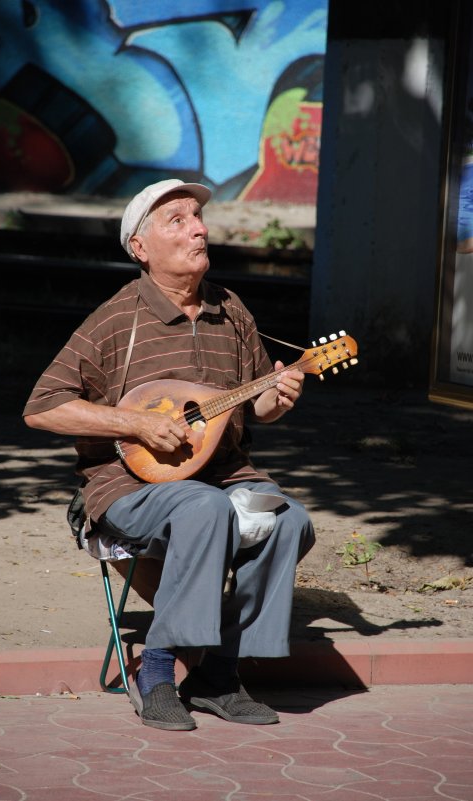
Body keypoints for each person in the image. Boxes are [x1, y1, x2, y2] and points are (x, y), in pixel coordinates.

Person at [23, 178, 315, 731]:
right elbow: (42, 407)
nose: (199, 229)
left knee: (290, 521)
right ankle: (155, 671)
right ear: (140, 247)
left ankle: (218, 675)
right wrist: (134, 422)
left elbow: (257, 406)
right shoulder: (117, 320)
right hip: (129, 489)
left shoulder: (231, 310)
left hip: (225, 476)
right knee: (203, 509)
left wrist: (281, 394)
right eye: (176, 221)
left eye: (198, 219)